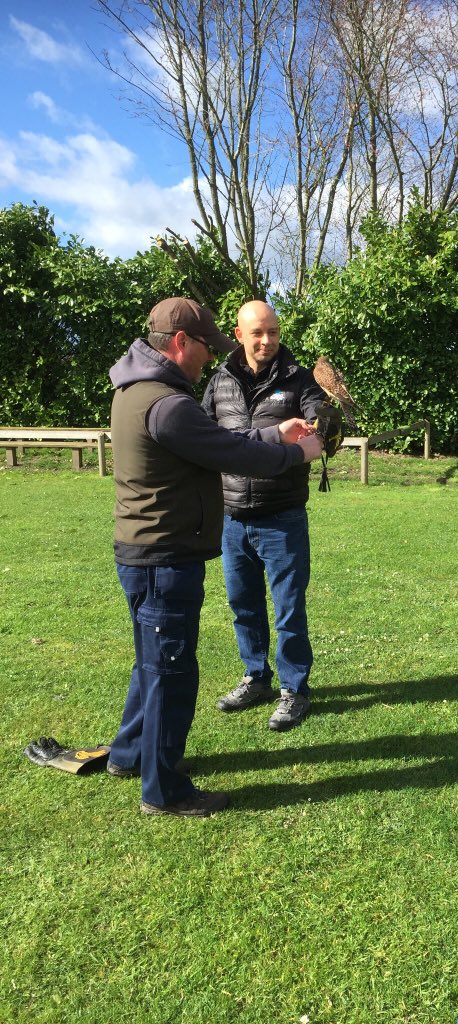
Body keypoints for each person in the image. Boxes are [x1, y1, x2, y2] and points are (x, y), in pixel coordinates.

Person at [107, 297, 323, 818]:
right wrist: (295, 452)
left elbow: (215, 440)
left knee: (151, 665)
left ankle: (128, 756)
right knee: (170, 674)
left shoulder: (138, 391)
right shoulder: (168, 403)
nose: (210, 357)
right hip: (164, 556)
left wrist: (274, 432)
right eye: (206, 346)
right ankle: (164, 790)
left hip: (146, 552)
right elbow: (228, 452)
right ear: (181, 342)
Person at [202, 300, 326, 730]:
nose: (267, 340)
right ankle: (255, 677)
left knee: (288, 608)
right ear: (239, 335)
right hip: (232, 517)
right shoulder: (219, 382)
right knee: (243, 605)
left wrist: (322, 422)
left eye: (272, 331)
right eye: (257, 332)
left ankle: (294, 690)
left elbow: (321, 422)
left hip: (283, 516)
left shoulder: (299, 378)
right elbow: (203, 438)